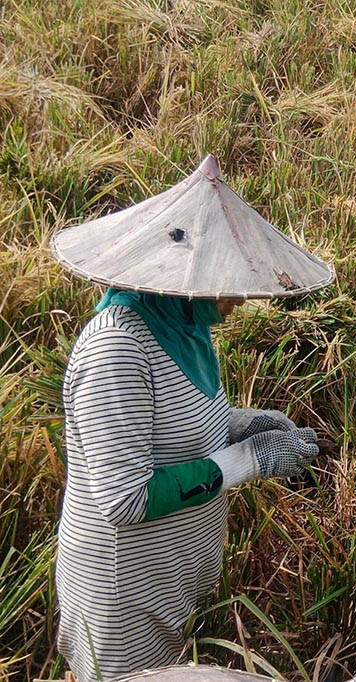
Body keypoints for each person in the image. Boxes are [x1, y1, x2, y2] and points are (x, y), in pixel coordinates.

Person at [49, 155, 336, 681]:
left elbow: (184, 420)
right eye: (228, 282)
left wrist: (242, 422)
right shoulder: (118, 349)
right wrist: (247, 459)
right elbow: (125, 497)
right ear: (184, 279)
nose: (242, 297)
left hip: (170, 575)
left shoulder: (187, 327)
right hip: (122, 595)